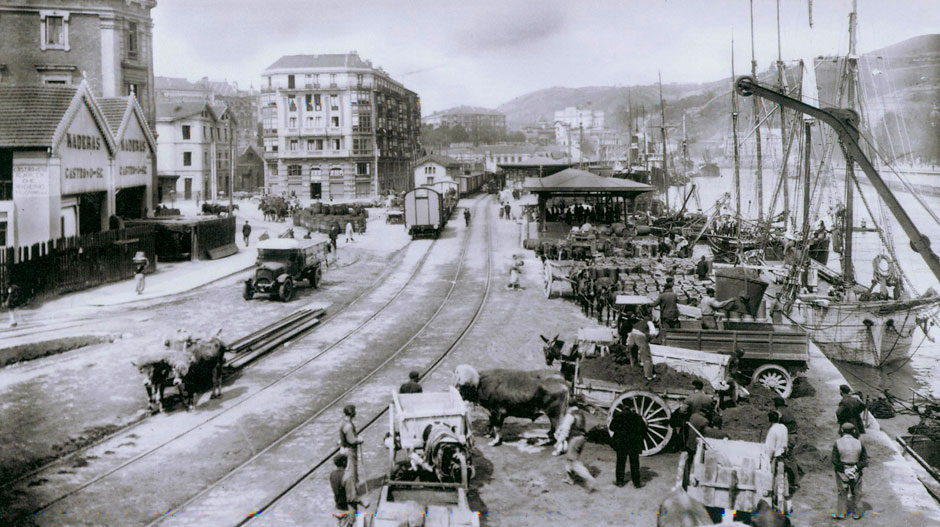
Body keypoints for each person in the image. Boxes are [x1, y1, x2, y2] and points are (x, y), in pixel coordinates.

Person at [556, 403, 596, 492]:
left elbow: (565, 430)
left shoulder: (570, 415)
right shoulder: (580, 413)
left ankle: (589, 479)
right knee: (569, 459)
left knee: (573, 461)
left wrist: (559, 441)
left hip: (575, 440)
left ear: (569, 406)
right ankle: (569, 479)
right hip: (582, 439)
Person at [832, 422, 867, 520]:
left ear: (842, 430)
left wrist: (845, 469)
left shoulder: (838, 442)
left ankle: (841, 513)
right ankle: (857, 513)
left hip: (842, 471)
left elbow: (834, 460)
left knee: (842, 492)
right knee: (857, 492)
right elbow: (864, 460)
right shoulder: (859, 443)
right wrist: (855, 468)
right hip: (856, 471)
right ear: (854, 431)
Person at [610, 403, 647, 488]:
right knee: (634, 463)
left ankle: (619, 482)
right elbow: (644, 430)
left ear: (623, 408)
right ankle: (636, 483)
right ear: (630, 408)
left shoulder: (618, 416)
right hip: (633, 443)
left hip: (621, 443)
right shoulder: (637, 417)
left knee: (620, 462)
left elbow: (612, 427)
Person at [338, 404, 368, 507]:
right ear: (352, 413)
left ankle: (352, 491)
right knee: (352, 471)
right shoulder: (349, 426)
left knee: (350, 470)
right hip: (350, 450)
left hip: (345, 448)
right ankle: (353, 494)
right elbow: (351, 440)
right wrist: (359, 439)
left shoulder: (343, 422)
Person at [330, 454, 355, 526]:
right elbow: (351, 497)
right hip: (346, 510)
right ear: (344, 462)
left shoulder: (332, 474)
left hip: (337, 508)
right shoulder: (347, 476)